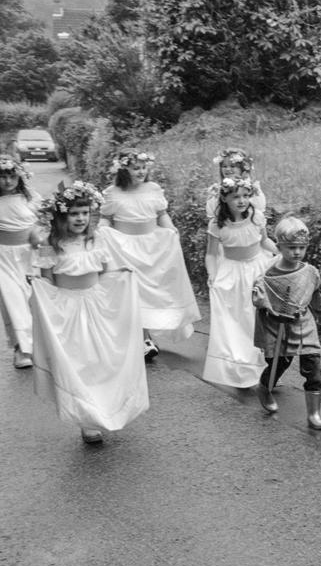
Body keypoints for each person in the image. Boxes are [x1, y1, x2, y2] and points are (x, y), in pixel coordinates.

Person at [29, 181, 149, 445]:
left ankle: (109, 406)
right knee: (79, 362)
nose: (80, 218)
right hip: (68, 309)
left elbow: (106, 274)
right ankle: (87, 419)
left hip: (97, 305)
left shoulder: (98, 238)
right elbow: (47, 279)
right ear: (62, 215)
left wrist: (122, 275)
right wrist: (37, 284)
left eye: (84, 212)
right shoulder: (51, 243)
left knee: (102, 360)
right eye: (74, 213)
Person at [99, 148, 201, 359]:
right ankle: (143, 338)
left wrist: (171, 230)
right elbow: (105, 219)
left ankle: (149, 334)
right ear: (123, 169)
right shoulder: (113, 193)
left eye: (144, 167)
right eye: (136, 168)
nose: (141, 172)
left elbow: (161, 215)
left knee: (155, 292)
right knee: (132, 293)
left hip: (152, 247)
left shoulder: (153, 189)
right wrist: (100, 234)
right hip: (124, 248)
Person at [252, 216, 321, 429]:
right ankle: (264, 387)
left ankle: (313, 415)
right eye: (291, 247)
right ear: (279, 247)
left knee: (313, 368)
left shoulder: (310, 273)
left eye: (301, 247)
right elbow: (259, 298)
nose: (297, 252)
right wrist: (262, 303)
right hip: (278, 326)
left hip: (304, 324)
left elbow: (314, 296)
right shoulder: (267, 274)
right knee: (280, 364)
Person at [202, 176, 278, 388]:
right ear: (225, 198)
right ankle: (240, 363)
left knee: (257, 317)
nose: (242, 201)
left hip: (257, 269)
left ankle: (264, 363)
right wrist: (212, 275)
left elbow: (264, 241)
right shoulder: (218, 225)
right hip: (233, 273)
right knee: (238, 319)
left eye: (245, 196)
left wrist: (280, 253)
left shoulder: (257, 217)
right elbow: (210, 254)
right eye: (236, 196)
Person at [0, 155, 41, 369]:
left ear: (20, 177)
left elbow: (40, 223)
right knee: (13, 302)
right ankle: (21, 350)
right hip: (3, 258)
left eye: (11, 176)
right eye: (2, 176)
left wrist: (37, 234)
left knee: (31, 300)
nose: (7, 181)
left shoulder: (31, 198)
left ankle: (39, 345)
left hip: (29, 256)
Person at [204, 147, 266, 219]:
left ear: (243, 168)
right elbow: (212, 214)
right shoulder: (217, 190)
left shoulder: (251, 188)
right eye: (224, 166)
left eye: (232, 166)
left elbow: (259, 211)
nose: (227, 169)